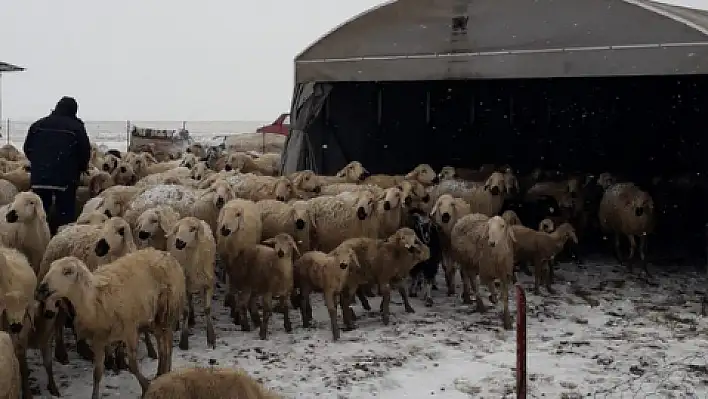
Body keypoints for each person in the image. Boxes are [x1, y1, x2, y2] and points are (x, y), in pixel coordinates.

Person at [23, 96, 91, 235]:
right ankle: (61, 244)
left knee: (40, 214)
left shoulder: (38, 125)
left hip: (40, 178)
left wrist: (38, 163)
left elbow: (27, 148)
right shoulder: (76, 127)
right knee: (65, 216)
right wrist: (81, 167)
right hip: (65, 179)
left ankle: (39, 242)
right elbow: (84, 151)